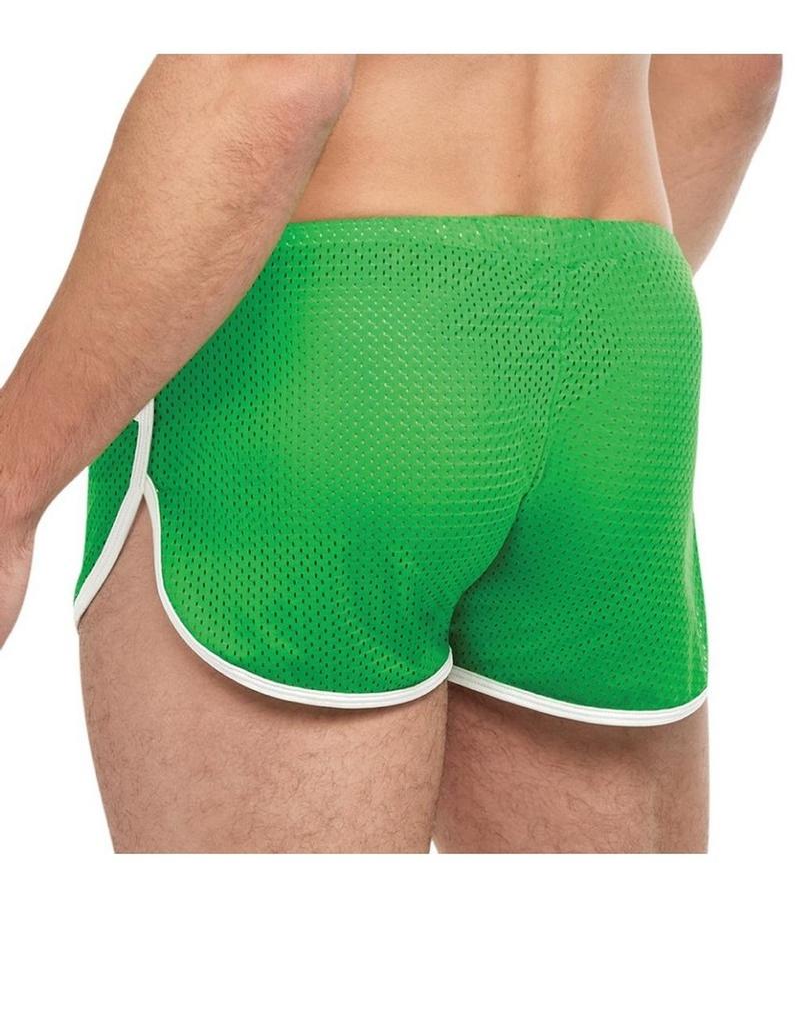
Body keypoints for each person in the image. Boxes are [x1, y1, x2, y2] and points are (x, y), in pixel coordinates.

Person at [0, 54, 781, 853]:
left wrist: (10, 488)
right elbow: (733, 66)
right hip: (620, 339)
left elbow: (274, 75)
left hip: (329, 343)